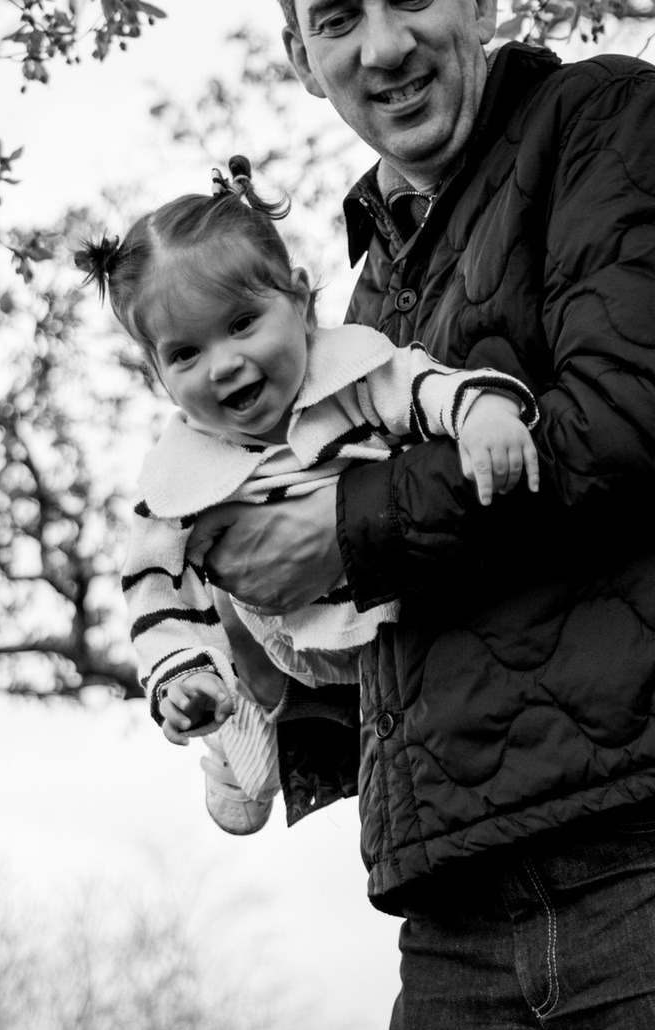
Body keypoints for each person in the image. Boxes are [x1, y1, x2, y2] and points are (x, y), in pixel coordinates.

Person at [187, 0, 655, 1030]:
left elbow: (628, 436)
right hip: (454, 901)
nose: (382, 45)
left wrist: (337, 533)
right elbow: (416, 601)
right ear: (300, 59)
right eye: (337, 16)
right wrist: (259, 656)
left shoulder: (608, 124)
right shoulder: (356, 313)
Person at [79, 156, 540, 835]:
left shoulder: (350, 373)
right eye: (185, 355)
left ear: (299, 299)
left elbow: (425, 387)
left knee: (404, 727)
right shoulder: (181, 471)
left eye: (241, 324)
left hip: (402, 614)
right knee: (233, 687)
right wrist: (180, 677)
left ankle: (269, 725)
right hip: (281, 644)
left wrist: (482, 415)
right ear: (157, 373)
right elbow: (156, 586)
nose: (224, 363)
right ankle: (227, 727)